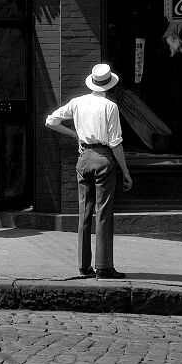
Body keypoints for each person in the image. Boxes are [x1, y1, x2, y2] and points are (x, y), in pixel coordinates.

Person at [45, 64, 133, 279]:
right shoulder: (110, 107)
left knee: (84, 213)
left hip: (84, 158)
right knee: (103, 213)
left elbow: (51, 121)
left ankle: (84, 266)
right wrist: (126, 172)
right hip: (104, 158)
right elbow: (115, 143)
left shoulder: (77, 103)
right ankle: (103, 266)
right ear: (109, 85)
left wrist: (75, 135)